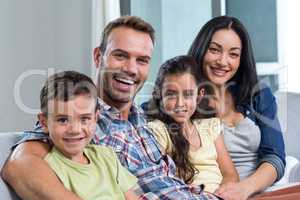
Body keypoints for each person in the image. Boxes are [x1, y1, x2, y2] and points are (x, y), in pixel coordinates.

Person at [1, 16, 219, 200]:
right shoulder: (81, 118)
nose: (131, 69)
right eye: (121, 55)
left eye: (142, 60)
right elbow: (19, 165)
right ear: (98, 56)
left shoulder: (143, 117)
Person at [187, 15, 300, 200]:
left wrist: (244, 189)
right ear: (201, 50)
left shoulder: (259, 94)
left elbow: (274, 156)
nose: (223, 61)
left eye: (233, 54)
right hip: (216, 193)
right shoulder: (183, 99)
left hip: (256, 189)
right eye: (214, 50)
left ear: (241, 59)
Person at [38, 71, 138, 200]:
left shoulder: (107, 156)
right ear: (44, 122)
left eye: (84, 119)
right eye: (63, 120)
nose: (75, 130)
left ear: (96, 118)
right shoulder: (48, 169)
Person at [145, 55, 239, 193]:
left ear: (199, 95)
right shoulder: (159, 130)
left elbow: (231, 175)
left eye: (188, 94)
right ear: (159, 95)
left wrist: (221, 195)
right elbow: (160, 181)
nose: (180, 103)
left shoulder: (209, 127)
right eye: (171, 94)